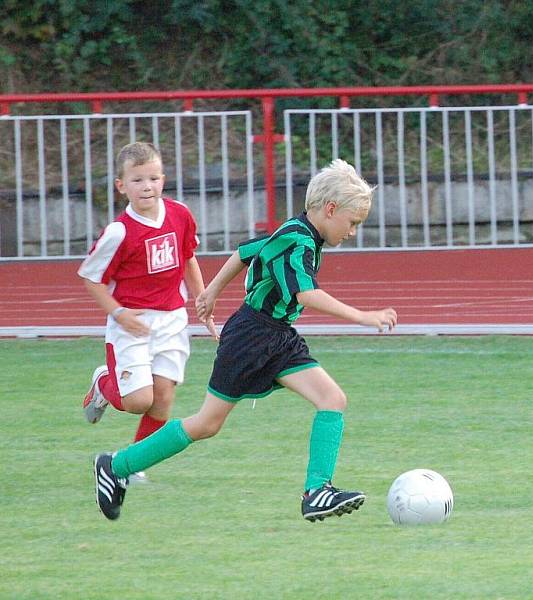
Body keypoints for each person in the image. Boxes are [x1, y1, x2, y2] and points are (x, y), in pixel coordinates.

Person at [93, 158, 397, 522]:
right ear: (330, 209)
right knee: (207, 423)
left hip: (278, 337)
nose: (352, 231)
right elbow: (306, 294)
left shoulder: (299, 233)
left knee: (332, 398)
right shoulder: (296, 240)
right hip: (251, 338)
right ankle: (117, 464)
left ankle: (317, 491)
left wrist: (211, 293)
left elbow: (244, 253)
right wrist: (363, 316)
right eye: (352, 223)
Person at [80, 142, 216, 484]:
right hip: (133, 324)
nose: (147, 186)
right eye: (138, 180)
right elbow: (92, 279)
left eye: (153, 178)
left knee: (164, 397)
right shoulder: (119, 232)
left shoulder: (180, 214)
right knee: (139, 400)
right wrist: (119, 313)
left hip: (172, 321)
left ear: (163, 180)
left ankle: (132, 462)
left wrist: (204, 300)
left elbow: (188, 259)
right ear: (121, 185)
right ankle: (102, 383)